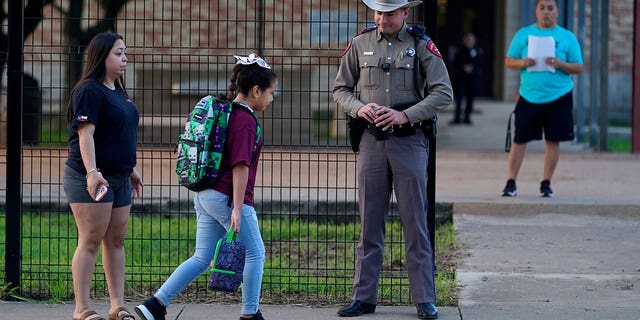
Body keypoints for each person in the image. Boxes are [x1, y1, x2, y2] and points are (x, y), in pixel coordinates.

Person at [134, 53, 277, 320]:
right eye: (271, 93)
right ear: (256, 91)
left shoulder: (224, 112)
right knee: (256, 254)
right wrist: (237, 207)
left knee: (201, 257)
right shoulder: (245, 120)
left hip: (204, 194)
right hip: (227, 198)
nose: (271, 99)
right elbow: (240, 166)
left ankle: (154, 305)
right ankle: (250, 314)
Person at [333, 0, 453, 318]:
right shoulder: (360, 43)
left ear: (404, 13)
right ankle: (364, 297)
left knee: (415, 223)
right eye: (378, 12)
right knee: (369, 223)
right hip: (371, 142)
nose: (382, 18)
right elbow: (340, 89)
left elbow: (443, 92)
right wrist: (359, 108)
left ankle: (425, 298)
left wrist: (404, 115)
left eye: (389, 12)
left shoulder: (422, 45)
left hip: (409, 141)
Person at [63, 32, 143, 320]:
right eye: (118, 53)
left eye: (125, 52)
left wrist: (129, 169)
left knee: (116, 240)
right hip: (92, 176)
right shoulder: (89, 91)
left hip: (120, 177)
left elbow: (118, 133)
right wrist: (93, 172)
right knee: (91, 239)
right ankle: (81, 308)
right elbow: (86, 135)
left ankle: (117, 306)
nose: (125, 58)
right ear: (101, 57)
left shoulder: (117, 91)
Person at [502, 0, 583, 198]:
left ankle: (546, 183)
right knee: (519, 140)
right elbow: (508, 60)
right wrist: (522, 61)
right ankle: (511, 183)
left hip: (559, 97)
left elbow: (579, 67)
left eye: (550, 8)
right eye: (542, 8)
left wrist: (560, 63)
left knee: (553, 140)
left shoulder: (567, 37)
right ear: (536, 11)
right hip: (529, 96)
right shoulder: (524, 34)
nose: (546, 12)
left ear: (557, 11)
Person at [450, 32, 482, 125]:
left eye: (471, 40)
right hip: (461, 78)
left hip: (472, 79)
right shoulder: (459, 50)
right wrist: (463, 68)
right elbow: (455, 63)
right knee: (459, 98)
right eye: (468, 40)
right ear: (464, 40)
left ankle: (467, 117)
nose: (469, 42)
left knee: (470, 98)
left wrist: (472, 68)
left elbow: (479, 63)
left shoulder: (477, 50)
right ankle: (457, 117)